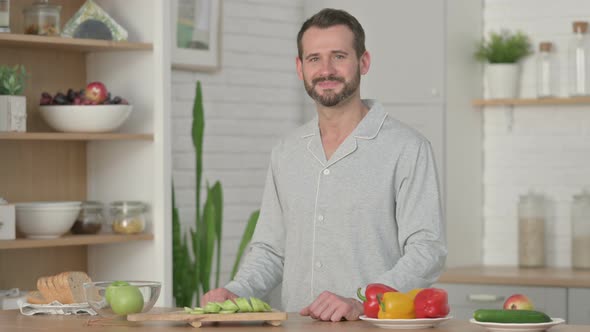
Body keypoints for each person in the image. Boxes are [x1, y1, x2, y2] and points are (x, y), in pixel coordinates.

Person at [201, 8, 447, 322]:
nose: (326, 70)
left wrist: (362, 301)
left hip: (375, 327)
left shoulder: (408, 148)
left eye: (339, 56)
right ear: (299, 67)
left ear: (364, 62)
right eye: (314, 58)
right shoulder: (286, 152)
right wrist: (236, 292)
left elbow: (427, 251)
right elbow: (271, 250)